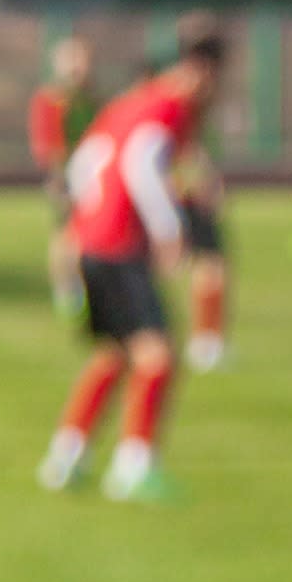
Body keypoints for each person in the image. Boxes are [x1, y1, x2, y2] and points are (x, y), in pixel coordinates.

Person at [43, 27, 226, 499]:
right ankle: (135, 466)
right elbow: (141, 165)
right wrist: (169, 230)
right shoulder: (166, 108)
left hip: (91, 240)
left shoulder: (124, 104)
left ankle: (67, 456)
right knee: (157, 354)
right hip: (120, 246)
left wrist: (81, 221)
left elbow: (84, 164)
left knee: (114, 353)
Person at [166, 8, 239, 373]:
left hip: (186, 184)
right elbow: (172, 145)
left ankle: (207, 340)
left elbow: (191, 142)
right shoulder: (182, 89)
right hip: (178, 188)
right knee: (205, 265)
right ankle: (202, 341)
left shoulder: (197, 87)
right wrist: (193, 180)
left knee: (211, 265)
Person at [29, 29, 97, 331]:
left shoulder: (91, 98)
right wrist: (58, 177)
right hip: (67, 174)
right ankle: (66, 289)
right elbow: (49, 143)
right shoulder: (52, 99)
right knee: (66, 232)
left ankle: (87, 285)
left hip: (93, 174)